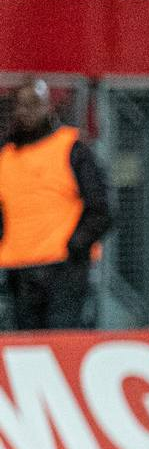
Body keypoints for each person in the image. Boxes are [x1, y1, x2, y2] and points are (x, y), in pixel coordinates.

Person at [0, 79, 112, 331]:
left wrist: (75, 246)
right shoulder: (6, 156)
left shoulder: (71, 148)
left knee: (62, 336)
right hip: (19, 270)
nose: (25, 112)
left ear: (48, 106)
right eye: (20, 105)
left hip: (63, 270)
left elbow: (100, 208)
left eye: (33, 104)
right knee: (27, 344)